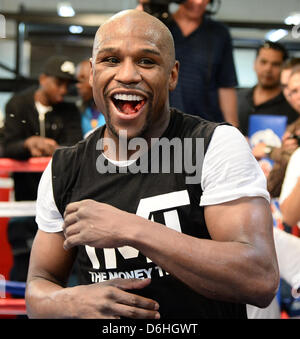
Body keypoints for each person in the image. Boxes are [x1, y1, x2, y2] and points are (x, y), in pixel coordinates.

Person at [25, 9, 279, 319]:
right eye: (111, 60)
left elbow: (259, 278)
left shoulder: (214, 146)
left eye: (146, 61)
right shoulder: (65, 168)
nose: (128, 74)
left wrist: (132, 228)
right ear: (92, 74)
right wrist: (70, 302)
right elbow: (39, 286)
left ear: (172, 75)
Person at [3, 55, 83, 285]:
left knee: (67, 272)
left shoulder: (69, 110)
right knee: (23, 269)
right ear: (43, 79)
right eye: (58, 82)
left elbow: (74, 148)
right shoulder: (18, 104)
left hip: (61, 207)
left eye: (67, 84)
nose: (63, 89)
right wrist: (28, 144)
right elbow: (7, 146)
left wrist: (53, 148)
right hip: (26, 203)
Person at [137, 0, 239, 127]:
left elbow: (226, 86)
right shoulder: (158, 26)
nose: (199, 2)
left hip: (206, 124)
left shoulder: (219, 33)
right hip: (162, 123)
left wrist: (234, 128)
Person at [238, 41, 299, 137]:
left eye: (275, 64)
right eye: (263, 62)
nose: (268, 69)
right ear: (255, 64)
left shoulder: (293, 103)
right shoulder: (236, 99)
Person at [279, 66, 300, 228]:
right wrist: (282, 153)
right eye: (293, 91)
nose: (297, 96)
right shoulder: (291, 130)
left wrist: (269, 151)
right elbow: (288, 215)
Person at [76, 59, 105, 138]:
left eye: (81, 80)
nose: (77, 85)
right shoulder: (81, 110)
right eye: (77, 81)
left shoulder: (113, 111)